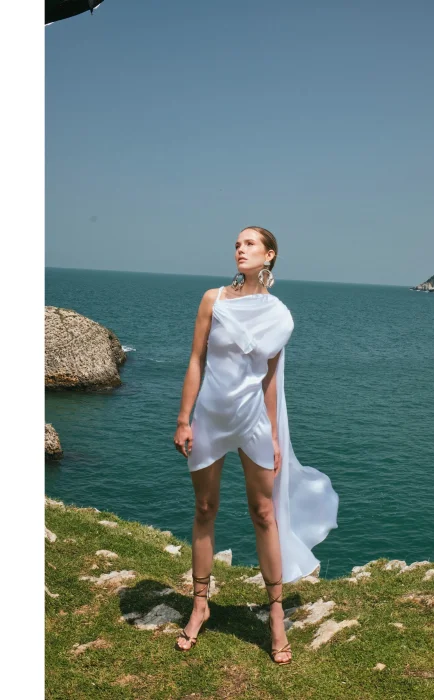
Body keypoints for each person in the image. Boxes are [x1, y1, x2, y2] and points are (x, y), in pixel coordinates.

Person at [172, 226, 339, 664]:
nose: (239, 250)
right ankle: (200, 605)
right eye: (236, 244)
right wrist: (183, 419)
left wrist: (275, 435)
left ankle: (276, 614)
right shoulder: (213, 300)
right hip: (209, 418)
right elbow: (196, 360)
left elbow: (270, 379)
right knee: (204, 509)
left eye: (249, 244)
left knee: (264, 513)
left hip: (253, 422)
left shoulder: (278, 315)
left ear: (269, 256)